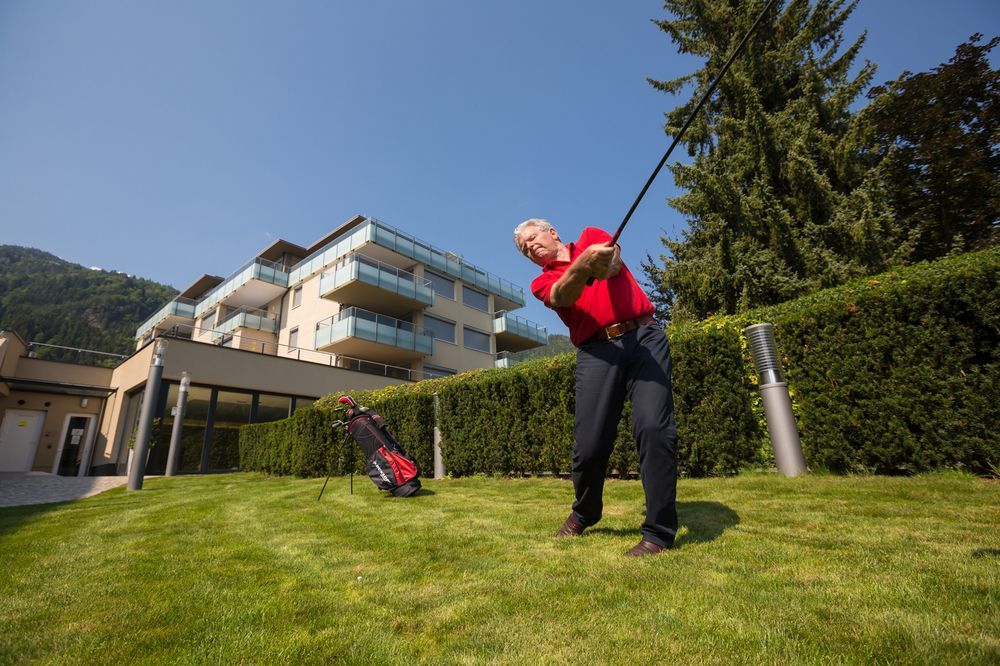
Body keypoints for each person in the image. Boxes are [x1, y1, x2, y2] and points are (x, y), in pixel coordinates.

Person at [513, 218, 678, 556]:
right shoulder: (542, 281)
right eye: (524, 249)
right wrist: (582, 266)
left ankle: (658, 533)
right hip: (596, 350)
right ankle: (586, 511)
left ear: (552, 232)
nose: (530, 248)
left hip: (645, 337)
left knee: (654, 427)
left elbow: (613, 263)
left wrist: (598, 260)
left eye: (532, 239)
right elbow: (563, 294)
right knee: (589, 446)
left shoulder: (591, 236)